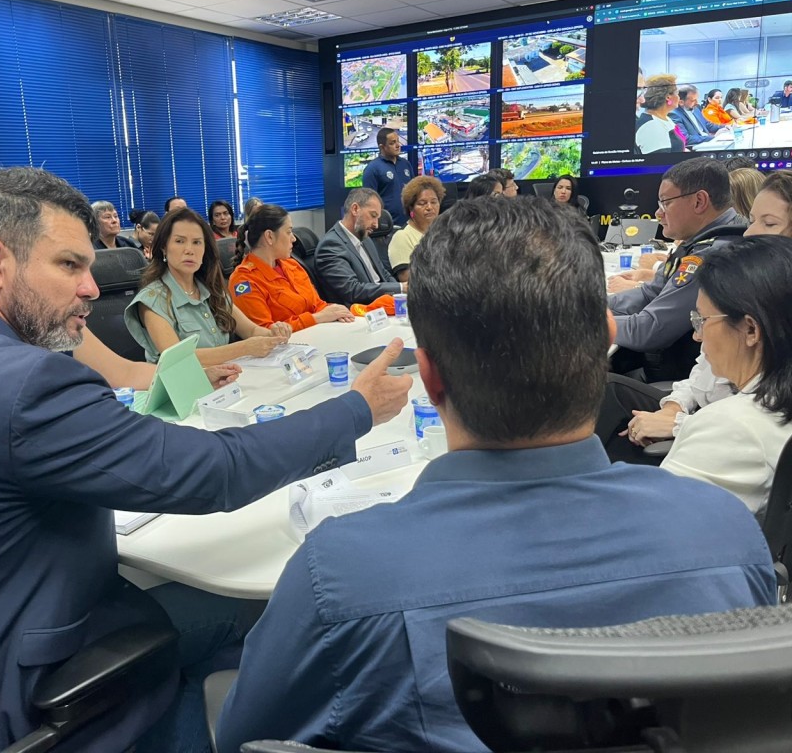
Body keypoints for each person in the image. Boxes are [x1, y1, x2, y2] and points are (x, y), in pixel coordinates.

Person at [0, 166, 413, 753]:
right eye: (69, 265)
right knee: (265, 608)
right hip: (15, 687)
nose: (91, 288)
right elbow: (215, 471)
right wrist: (354, 411)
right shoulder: (24, 384)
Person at [215, 196, 776, 753]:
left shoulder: (338, 575)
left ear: (428, 378)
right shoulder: (726, 532)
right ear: (606, 336)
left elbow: (250, 737)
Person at [601, 169, 792, 463]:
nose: (749, 233)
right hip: (704, 415)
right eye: (752, 220)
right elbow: (706, 369)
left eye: (769, 223)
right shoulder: (755, 288)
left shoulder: (739, 281)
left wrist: (680, 424)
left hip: (718, 434)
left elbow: (759, 422)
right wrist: (674, 408)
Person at [660, 235, 792, 513]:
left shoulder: (731, 427)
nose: (697, 336)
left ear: (751, 330)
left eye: (702, 320)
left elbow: (657, 521)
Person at [610, 157, 744, 382]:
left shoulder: (712, 254)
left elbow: (649, 330)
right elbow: (649, 294)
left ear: (699, 201)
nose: (658, 213)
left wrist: (584, 322)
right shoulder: (702, 241)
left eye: (665, 202)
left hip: (689, 381)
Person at [124, 207, 292, 364]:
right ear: (164, 248)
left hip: (227, 379)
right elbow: (178, 359)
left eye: (197, 242)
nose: (189, 250)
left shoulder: (210, 289)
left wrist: (274, 333)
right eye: (180, 241)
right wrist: (244, 348)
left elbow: (251, 331)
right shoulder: (152, 300)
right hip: (183, 384)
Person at [228, 204, 354, 331]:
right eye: (288, 232)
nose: (293, 239)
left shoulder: (292, 265)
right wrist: (317, 318)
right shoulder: (244, 280)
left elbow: (317, 305)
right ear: (269, 236)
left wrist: (335, 311)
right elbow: (265, 332)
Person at [313, 187, 404, 306]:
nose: (376, 225)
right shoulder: (330, 245)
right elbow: (353, 290)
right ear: (355, 209)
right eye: (373, 215)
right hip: (359, 311)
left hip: (382, 306)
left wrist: (401, 294)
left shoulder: (366, 239)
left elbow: (384, 274)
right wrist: (401, 287)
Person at [387, 176, 445, 281]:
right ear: (411, 208)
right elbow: (407, 279)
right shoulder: (402, 237)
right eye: (422, 203)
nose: (429, 207)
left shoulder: (444, 232)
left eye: (434, 202)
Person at [361, 127, 414, 226]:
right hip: (387, 227)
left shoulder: (406, 164)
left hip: (409, 224)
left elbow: (414, 192)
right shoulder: (372, 169)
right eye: (392, 143)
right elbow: (368, 202)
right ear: (382, 147)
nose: (398, 145)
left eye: (398, 141)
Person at [636, 74, 685, 153]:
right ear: (668, 97)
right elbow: (659, 159)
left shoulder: (665, 118)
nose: (679, 97)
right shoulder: (651, 126)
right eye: (677, 93)